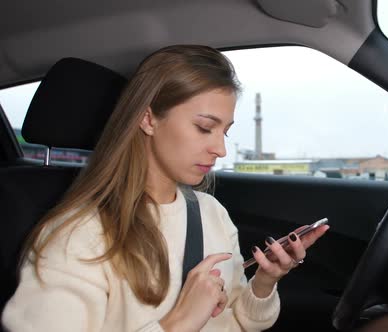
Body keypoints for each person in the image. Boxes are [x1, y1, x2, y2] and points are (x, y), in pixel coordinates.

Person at [1, 45, 329, 332]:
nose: (221, 149)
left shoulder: (211, 212)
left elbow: (239, 322)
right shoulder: (78, 236)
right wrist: (179, 323)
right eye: (204, 128)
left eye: (224, 132)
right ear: (148, 119)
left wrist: (265, 282)